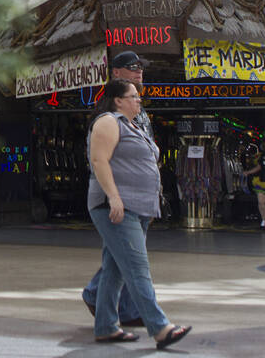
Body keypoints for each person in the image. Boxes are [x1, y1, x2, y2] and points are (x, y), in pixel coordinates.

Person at [85, 79, 191, 349]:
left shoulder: (133, 125)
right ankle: (160, 328)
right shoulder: (108, 122)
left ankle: (106, 326)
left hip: (138, 207)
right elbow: (99, 160)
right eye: (133, 96)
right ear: (118, 100)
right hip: (118, 206)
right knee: (136, 268)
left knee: (115, 269)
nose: (138, 100)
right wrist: (114, 197)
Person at [82, 51, 150, 325]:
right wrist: (114, 195)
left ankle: (103, 304)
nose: (139, 73)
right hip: (122, 195)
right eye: (132, 68)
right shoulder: (109, 114)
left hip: (138, 195)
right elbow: (100, 158)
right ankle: (149, 318)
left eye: (140, 68)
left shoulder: (137, 109)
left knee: (119, 256)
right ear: (116, 73)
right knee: (133, 257)